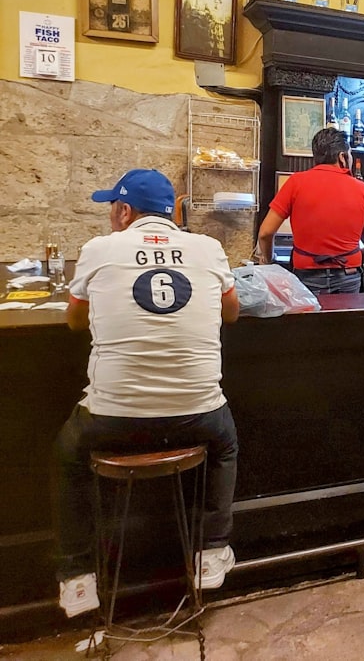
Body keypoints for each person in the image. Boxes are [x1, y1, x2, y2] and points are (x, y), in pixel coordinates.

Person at [53, 169, 240, 618]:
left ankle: (76, 577)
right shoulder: (209, 248)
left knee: (67, 456)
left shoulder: (99, 250)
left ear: (123, 211)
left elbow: (75, 322)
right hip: (199, 415)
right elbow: (230, 312)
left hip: (111, 421)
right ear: (173, 212)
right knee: (225, 443)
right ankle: (212, 550)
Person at [257, 128, 364, 295]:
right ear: (342, 157)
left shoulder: (295, 183)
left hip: (306, 276)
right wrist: (353, 259)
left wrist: (268, 261)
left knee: (310, 321)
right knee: (347, 322)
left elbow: (265, 233)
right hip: (348, 276)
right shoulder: (363, 190)